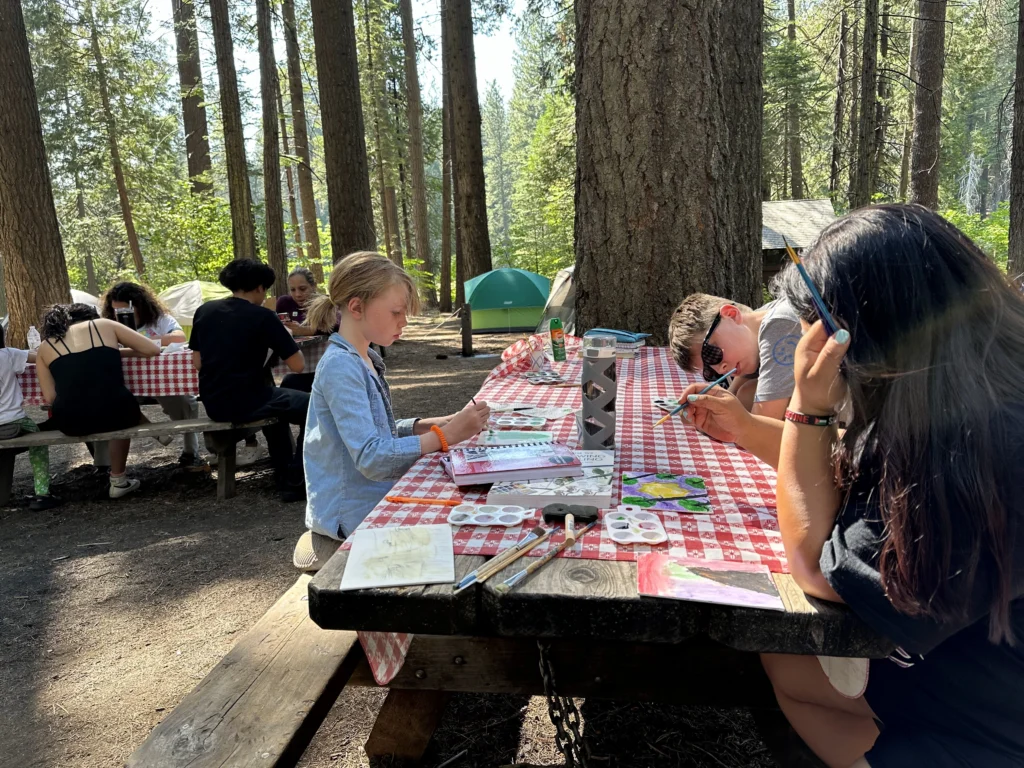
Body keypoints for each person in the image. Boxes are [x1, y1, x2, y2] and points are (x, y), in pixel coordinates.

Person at [744, 205, 1024, 768]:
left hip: (988, 737)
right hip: (974, 679)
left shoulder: (967, 447)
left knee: (788, 655)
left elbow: (814, 568)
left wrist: (807, 404)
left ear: (855, 339)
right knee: (784, 659)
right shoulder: (975, 396)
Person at [292, 252, 490, 572]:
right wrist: (446, 436)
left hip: (374, 500)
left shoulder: (364, 357)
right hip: (351, 516)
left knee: (475, 513)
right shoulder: (341, 367)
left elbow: (374, 432)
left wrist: (428, 425)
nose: (404, 322)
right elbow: (372, 457)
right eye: (397, 312)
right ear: (356, 307)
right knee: (466, 540)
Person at [190, 259, 309, 502]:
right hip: (251, 399)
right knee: (317, 406)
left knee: (279, 404)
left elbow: (198, 362)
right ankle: (295, 479)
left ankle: (283, 472)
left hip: (215, 403)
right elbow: (298, 365)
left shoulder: (205, 311)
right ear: (259, 287)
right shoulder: (263, 316)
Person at [36, 303, 161, 498]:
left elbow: (51, 398)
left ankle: (105, 467)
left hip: (71, 422)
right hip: (118, 413)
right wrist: (111, 350)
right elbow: (153, 349)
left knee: (106, 403)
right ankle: (118, 480)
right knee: (117, 406)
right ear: (91, 316)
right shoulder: (104, 325)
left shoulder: (45, 346)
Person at [100, 281, 205, 468]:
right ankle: (104, 463)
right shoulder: (107, 324)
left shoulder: (160, 320)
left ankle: (190, 452)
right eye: (116, 311)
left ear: (140, 306)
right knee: (102, 402)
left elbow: (179, 337)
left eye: (125, 310)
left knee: (183, 400)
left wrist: (139, 340)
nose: (120, 315)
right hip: (125, 383)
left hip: (160, 381)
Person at [668, 292, 802, 417]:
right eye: (709, 371)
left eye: (711, 354)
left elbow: (763, 420)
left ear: (731, 314)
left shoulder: (780, 324)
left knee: (747, 394)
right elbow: (732, 398)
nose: (720, 369)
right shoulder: (753, 330)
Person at [0, 325, 59, 510]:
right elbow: (42, 358)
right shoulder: (8, 354)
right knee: (39, 443)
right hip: (15, 420)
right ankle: (42, 493)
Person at [275, 267, 322, 337]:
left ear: (314, 286)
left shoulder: (323, 304)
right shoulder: (284, 303)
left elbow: (336, 327)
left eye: (302, 289)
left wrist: (303, 330)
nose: (298, 295)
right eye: (293, 290)